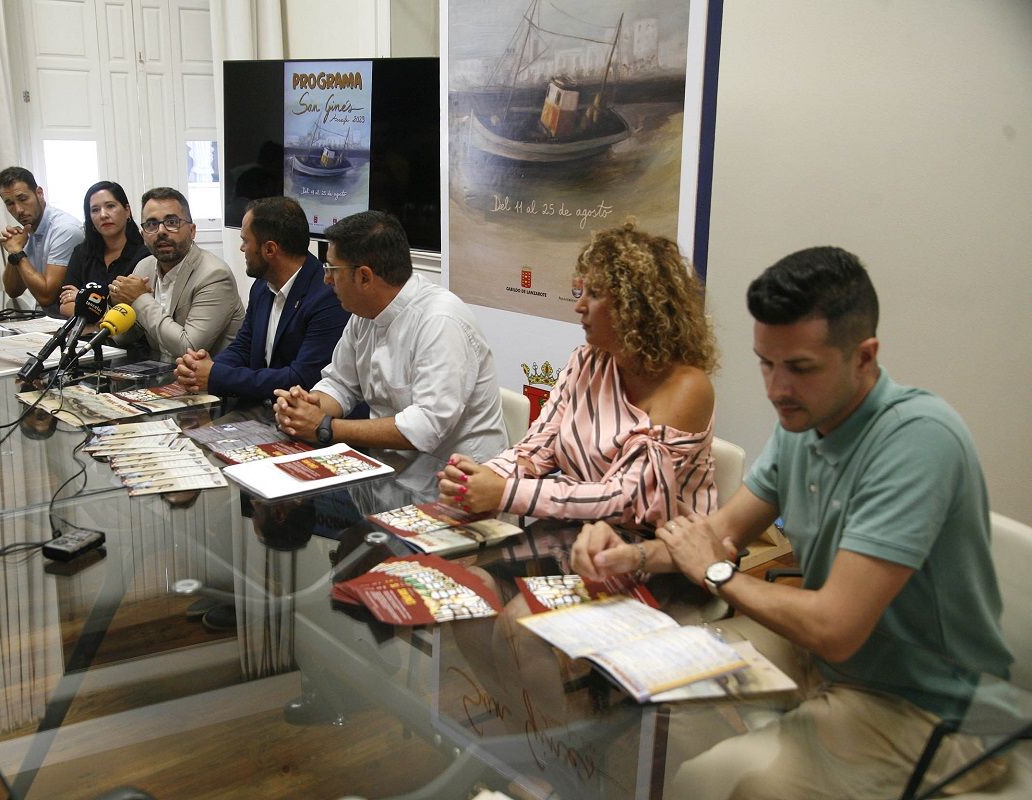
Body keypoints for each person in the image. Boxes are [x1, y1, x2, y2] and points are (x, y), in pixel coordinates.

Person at [573, 246, 1012, 799]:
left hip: (926, 701)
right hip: (823, 660)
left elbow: (835, 626)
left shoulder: (919, 442)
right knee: (657, 693)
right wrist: (631, 555)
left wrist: (717, 576)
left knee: (739, 784)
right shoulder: (803, 421)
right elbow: (721, 534)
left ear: (865, 357)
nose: (776, 389)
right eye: (766, 362)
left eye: (800, 368)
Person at [438, 221, 718, 531]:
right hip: (585, 531)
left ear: (636, 306)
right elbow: (536, 449)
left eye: (594, 294)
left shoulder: (686, 388)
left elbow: (626, 498)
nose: (579, 306)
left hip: (660, 548)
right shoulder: (586, 360)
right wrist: (482, 478)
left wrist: (504, 492)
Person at [272, 210, 506, 463]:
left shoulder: (440, 321)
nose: (326, 279)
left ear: (364, 276)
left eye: (332, 269)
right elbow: (340, 383)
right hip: (389, 476)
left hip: (454, 485)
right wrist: (306, 407)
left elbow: (426, 426)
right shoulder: (363, 312)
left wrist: (326, 427)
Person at [173, 196, 349, 404]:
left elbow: (302, 378)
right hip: (258, 411)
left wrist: (215, 375)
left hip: (297, 414)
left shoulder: (326, 295)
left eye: (245, 241)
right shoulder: (262, 286)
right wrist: (199, 368)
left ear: (269, 250)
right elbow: (244, 347)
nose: (242, 248)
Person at [110, 187, 245, 362]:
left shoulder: (214, 275)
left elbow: (189, 348)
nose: (161, 231)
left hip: (209, 383)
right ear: (143, 235)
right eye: (151, 224)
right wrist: (119, 304)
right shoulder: (144, 267)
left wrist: (139, 299)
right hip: (160, 375)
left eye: (172, 222)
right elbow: (125, 338)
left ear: (192, 230)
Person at [0, 166, 83, 316]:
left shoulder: (65, 229)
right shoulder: (27, 231)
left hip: (71, 323)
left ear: (39, 193)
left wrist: (17, 252)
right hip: (46, 319)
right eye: (10, 203)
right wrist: (14, 252)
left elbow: (47, 297)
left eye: (23, 199)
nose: (18, 209)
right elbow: (13, 291)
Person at [57, 181, 149, 318]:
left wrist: (82, 299)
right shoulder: (81, 253)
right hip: (85, 336)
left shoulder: (145, 256)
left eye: (110, 206)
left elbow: (132, 309)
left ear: (127, 210)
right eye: (95, 210)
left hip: (125, 337)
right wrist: (103, 312)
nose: (103, 215)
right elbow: (65, 304)